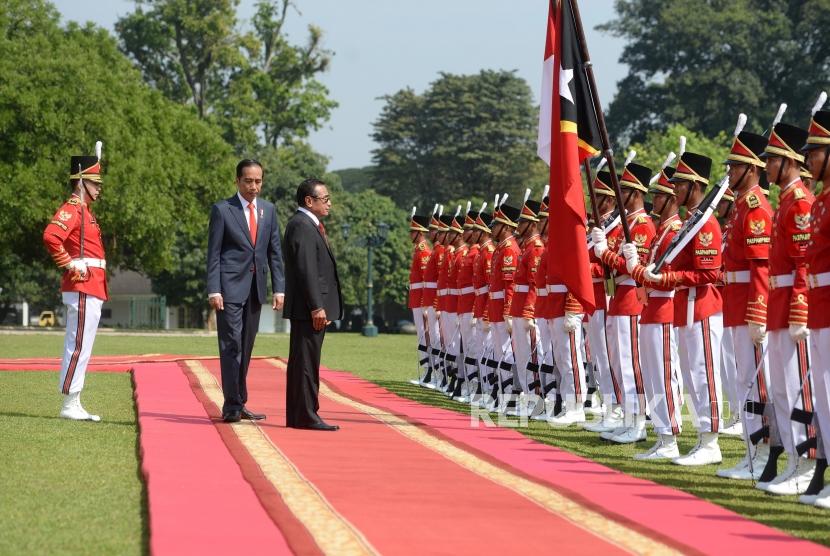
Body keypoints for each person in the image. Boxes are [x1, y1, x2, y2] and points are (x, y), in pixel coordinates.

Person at [755, 123, 817, 494]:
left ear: (788, 162)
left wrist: (798, 309)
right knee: (781, 389)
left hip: (792, 306)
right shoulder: (786, 202)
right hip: (777, 305)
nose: (765, 168)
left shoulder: (800, 203)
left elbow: (803, 263)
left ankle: (806, 463)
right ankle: (794, 461)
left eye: (772, 161)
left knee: (798, 391)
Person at [207, 159, 285, 423]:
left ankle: (240, 402)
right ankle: (231, 405)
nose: (254, 186)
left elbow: (275, 253)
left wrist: (279, 288)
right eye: (248, 181)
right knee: (231, 346)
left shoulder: (269, 210)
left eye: (258, 181)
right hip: (228, 290)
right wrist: (214, 289)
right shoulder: (222, 210)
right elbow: (214, 254)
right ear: (238, 181)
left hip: (255, 289)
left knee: (246, 347)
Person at [716, 131, 775, 480]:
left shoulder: (755, 210)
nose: (730, 172)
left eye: (735, 166)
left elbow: (760, 267)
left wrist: (757, 312)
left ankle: (763, 451)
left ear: (751, 169)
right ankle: (753, 452)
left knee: (754, 384)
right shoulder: (740, 208)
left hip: (746, 308)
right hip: (734, 305)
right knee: (743, 383)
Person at [592, 161, 656, 440]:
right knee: (619, 362)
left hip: (631, 295)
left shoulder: (640, 226)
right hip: (619, 295)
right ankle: (628, 417)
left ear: (636, 193)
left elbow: (629, 266)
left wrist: (603, 252)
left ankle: (638, 422)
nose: (620, 196)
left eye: (625, 191)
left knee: (630, 363)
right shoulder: (626, 224)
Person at [43, 148, 108, 421]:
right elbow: (51, 236)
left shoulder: (85, 211)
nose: (99, 188)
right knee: (78, 344)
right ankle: (69, 403)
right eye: (94, 182)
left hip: (92, 285)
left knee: (84, 344)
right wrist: (69, 264)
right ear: (81, 182)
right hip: (82, 283)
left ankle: (75, 400)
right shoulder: (73, 209)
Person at [282, 178, 343, 431]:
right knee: (306, 363)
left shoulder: (308, 225)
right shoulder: (303, 225)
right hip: (310, 309)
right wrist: (317, 306)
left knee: (304, 362)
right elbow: (306, 270)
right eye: (325, 199)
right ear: (309, 201)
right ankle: (306, 415)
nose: (329, 204)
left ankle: (300, 415)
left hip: (311, 307)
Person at [802, 108, 830, 507]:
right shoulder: (821, 201)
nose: (808, 161)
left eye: (814, 153)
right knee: (823, 395)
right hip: (819, 306)